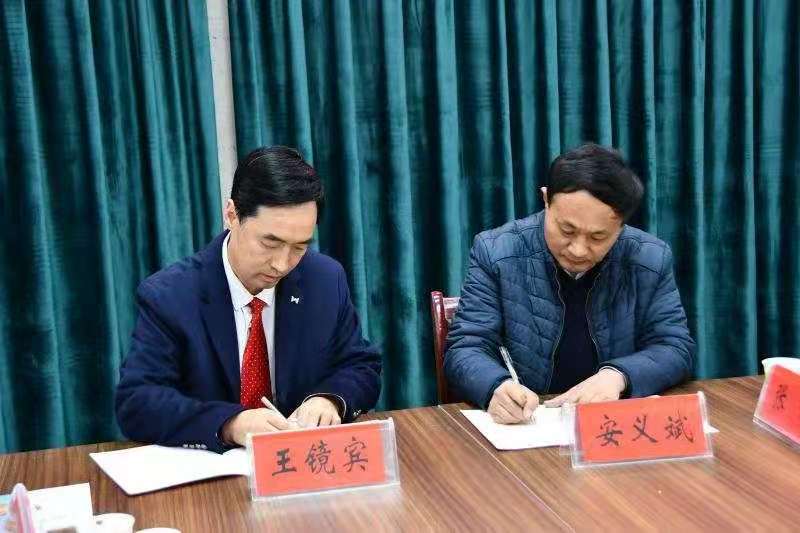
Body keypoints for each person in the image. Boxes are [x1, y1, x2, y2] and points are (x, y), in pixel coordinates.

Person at [116, 146, 381, 452]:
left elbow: (361, 365)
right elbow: (137, 401)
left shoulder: (323, 280)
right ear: (232, 215)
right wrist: (230, 424)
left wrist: (329, 399)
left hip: (301, 466)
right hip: (215, 472)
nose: (282, 264)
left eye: (299, 247)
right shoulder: (170, 295)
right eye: (270, 243)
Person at [444, 143, 695, 424]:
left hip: (610, 426)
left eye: (598, 237)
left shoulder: (649, 258)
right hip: (529, 425)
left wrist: (618, 376)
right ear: (546, 199)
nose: (578, 250)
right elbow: (465, 347)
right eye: (566, 230)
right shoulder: (496, 251)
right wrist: (495, 386)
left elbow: (675, 347)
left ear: (621, 226)